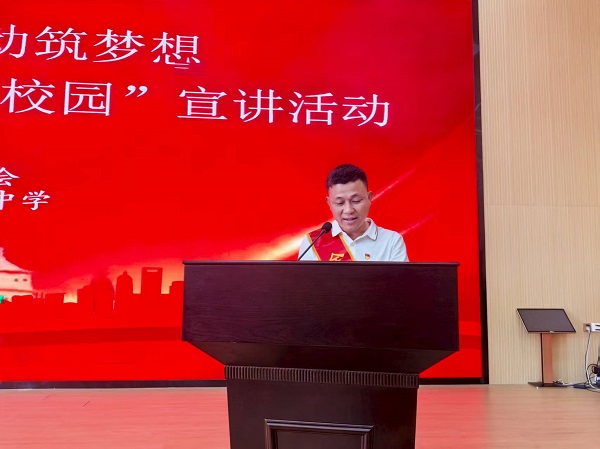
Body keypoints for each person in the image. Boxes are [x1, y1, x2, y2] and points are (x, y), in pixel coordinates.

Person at [298, 164, 409, 262]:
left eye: (356, 201)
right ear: (329, 203)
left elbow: (400, 280)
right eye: (340, 202)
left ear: (369, 198)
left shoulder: (391, 241)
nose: (348, 210)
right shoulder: (313, 242)